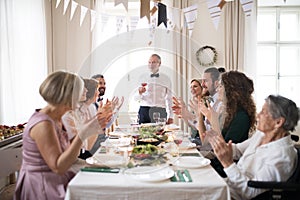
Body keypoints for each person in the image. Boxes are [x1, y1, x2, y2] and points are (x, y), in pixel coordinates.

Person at [14, 71, 112, 200]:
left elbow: (73, 156)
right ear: (67, 95)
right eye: (81, 90)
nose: (85, 93)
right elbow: (58, 167)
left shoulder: (57, 119)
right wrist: (83, 134)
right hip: (43, 186)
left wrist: (106, 167)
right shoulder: (43, 124)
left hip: (60, 178)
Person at [207, 95, 299, 199]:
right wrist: (219, 145)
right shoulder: (261, 135)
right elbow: (237, 150)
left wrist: (228, 163)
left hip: (234, 196)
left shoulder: (282, 156)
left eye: (263, 112)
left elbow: (250, 192)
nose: (258, 115)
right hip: (227, 185)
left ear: (278, 122)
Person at [198, 70, 257, 177]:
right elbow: (207, 144)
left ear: (230, 91)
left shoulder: (241, 117)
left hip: (226, 169)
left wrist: (213, 120)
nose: (217, 89)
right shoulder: (229, 113)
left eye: (220, 86)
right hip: (217, 162)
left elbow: (224, 152)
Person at [62, 78, 100, 159]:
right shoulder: (67, 116)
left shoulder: (75, 112)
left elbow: (84, 147)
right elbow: (82, 148)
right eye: (82, 87)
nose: (86, 90)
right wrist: (98, 122)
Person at [135, 54, 173, 124]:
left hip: (160, 110)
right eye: (149, 62)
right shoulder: (142, 77)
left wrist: (171, 116)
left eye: (154, 62)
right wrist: (140, 93)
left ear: (159, 63)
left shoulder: (166, 78)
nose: (151, 64)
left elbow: (169, 98)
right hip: (144, 110)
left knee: (160, 134)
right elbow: (136, 99)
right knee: (142, 134)